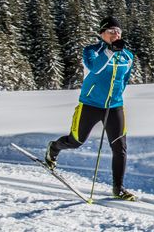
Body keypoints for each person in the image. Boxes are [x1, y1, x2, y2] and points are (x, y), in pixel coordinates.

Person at [46, 15, 137, 201]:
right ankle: (53, 148)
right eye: (111, 31)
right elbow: (95, 68)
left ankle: (118, 189)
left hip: (115, 107)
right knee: (76, 141)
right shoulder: (91, 51)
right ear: (102, 33)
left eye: (118, 31)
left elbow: (125, 79)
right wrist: (110, 52)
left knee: (120, 148)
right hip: (90, 105)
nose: (116, 34)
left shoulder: (128, 56)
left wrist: (116, 96)